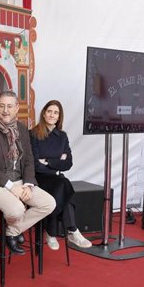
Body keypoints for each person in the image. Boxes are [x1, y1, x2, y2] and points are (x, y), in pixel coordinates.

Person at [0, 90, 55, 254]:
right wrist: (11, 187)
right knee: (17, 210)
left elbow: (29, 159)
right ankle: (13, 231)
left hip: (20, 181)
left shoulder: (22, 129)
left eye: (9, 106)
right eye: (1, 106)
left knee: (49, 203)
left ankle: (11, 232)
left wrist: (29, 184)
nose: (5, 110)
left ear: (16, 108)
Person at [30, 100, 92, 249]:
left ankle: (51, 231)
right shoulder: (33, 134)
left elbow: (68, 163)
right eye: (49, 111)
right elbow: (34, 164)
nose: (52, 115)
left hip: (55, 178)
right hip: (39, 179)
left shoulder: (62, 136)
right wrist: (57, 161)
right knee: (64, 187)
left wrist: (48, 161)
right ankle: (71, 231)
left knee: (61, 186)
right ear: (44, 113)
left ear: (59, 117)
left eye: (56, 113)